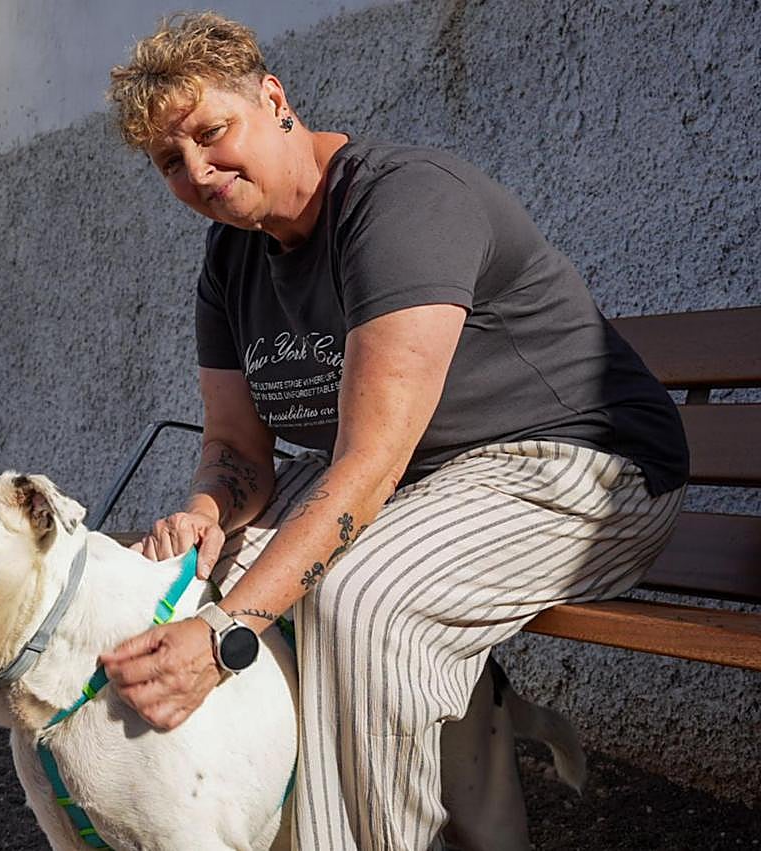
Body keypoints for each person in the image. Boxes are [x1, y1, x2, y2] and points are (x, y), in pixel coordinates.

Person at [97, 12, 688, 851]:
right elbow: (236, 448)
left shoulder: (399, 202)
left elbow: (368, 464)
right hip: (430, 482)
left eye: (211, 132)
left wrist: (228, 635)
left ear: (273, 98)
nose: (199, 170)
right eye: (170, 162)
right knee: (208, 569)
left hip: (581, 472)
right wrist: (206, 510)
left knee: (357, 600)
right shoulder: (230, 260)